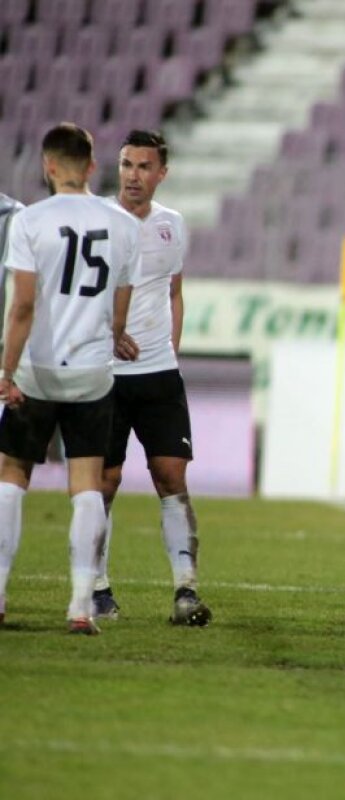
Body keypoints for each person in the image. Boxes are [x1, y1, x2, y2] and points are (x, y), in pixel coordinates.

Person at [0, 123, 140, 634]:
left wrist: (5, 370)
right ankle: (81, 603)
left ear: (49, 166)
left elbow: (22, 306)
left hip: (36, 371)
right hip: (91, 373)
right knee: (86, 484)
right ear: (92, 165)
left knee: (12, 473)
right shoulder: (123, 224)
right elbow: (120, 304)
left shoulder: (30, 222)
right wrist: (115, 336)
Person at [91, 130, 210, 627]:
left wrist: (172, 347)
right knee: (104, 481)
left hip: (159, 373)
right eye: (126, 165)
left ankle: (186, 590)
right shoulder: (96, 219)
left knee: (172, 477)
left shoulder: (172, 225)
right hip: (105, 374)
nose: (133, 175)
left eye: (143, 167)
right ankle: (96, 587)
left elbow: (174, 291)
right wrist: (108, 332)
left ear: (162, 173)